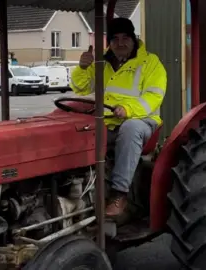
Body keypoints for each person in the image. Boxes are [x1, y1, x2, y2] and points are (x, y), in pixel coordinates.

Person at [70, 18, 167, 218]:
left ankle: (119, 194)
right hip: (108, 122)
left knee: (130, 128)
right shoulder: (102, 64)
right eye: (115, 39)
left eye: (125, 38)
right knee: (77, 130)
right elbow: (81, 87)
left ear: (133, 39)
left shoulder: (150, 63)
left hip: (143, 122)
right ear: (109, 43)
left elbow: (154, 96)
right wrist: (82, 67)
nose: (120, 43)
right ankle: (78, 191)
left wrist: (127, 108)